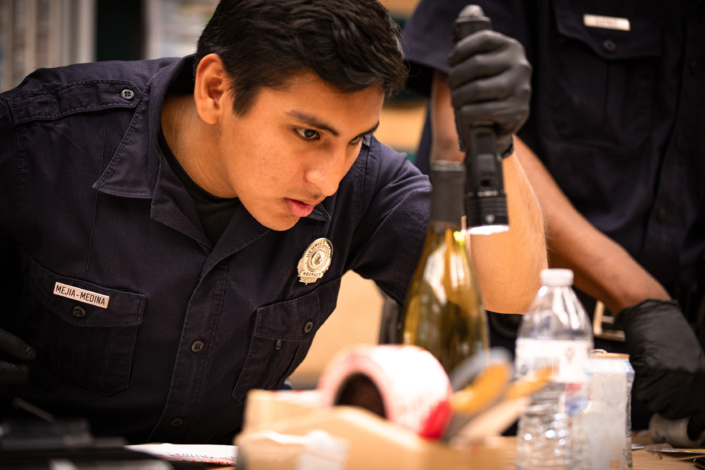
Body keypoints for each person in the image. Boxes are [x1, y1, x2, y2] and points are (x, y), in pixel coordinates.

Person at [0, 0, 546, 444]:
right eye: (308, 134)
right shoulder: (41, 144)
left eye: (354, 139)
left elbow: (510, 292)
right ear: (216, 90)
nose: (328, 180)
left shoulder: (365, 178)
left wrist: (496, 143)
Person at [402, 0, 705, 434]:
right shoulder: (382, 184)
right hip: (514, 350)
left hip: (680, 364)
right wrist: (642, 301)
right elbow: (465, 139)